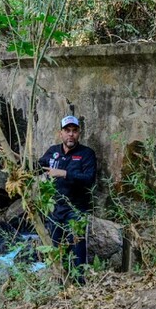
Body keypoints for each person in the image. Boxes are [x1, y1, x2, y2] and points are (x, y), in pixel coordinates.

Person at [38, 115, 97, 283]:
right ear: (61, 133)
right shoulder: (53, 152)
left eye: (74, 131)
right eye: (67, 131)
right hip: (55, 208)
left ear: (79, 133)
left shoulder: (86, 154)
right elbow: (37, 167)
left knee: (78, 248)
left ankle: (79, 284)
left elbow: (89, 178)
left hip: (77, 210)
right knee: (55, 246)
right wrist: (17, 159)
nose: (71, 135)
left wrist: (64, 173)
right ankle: (59, 283)